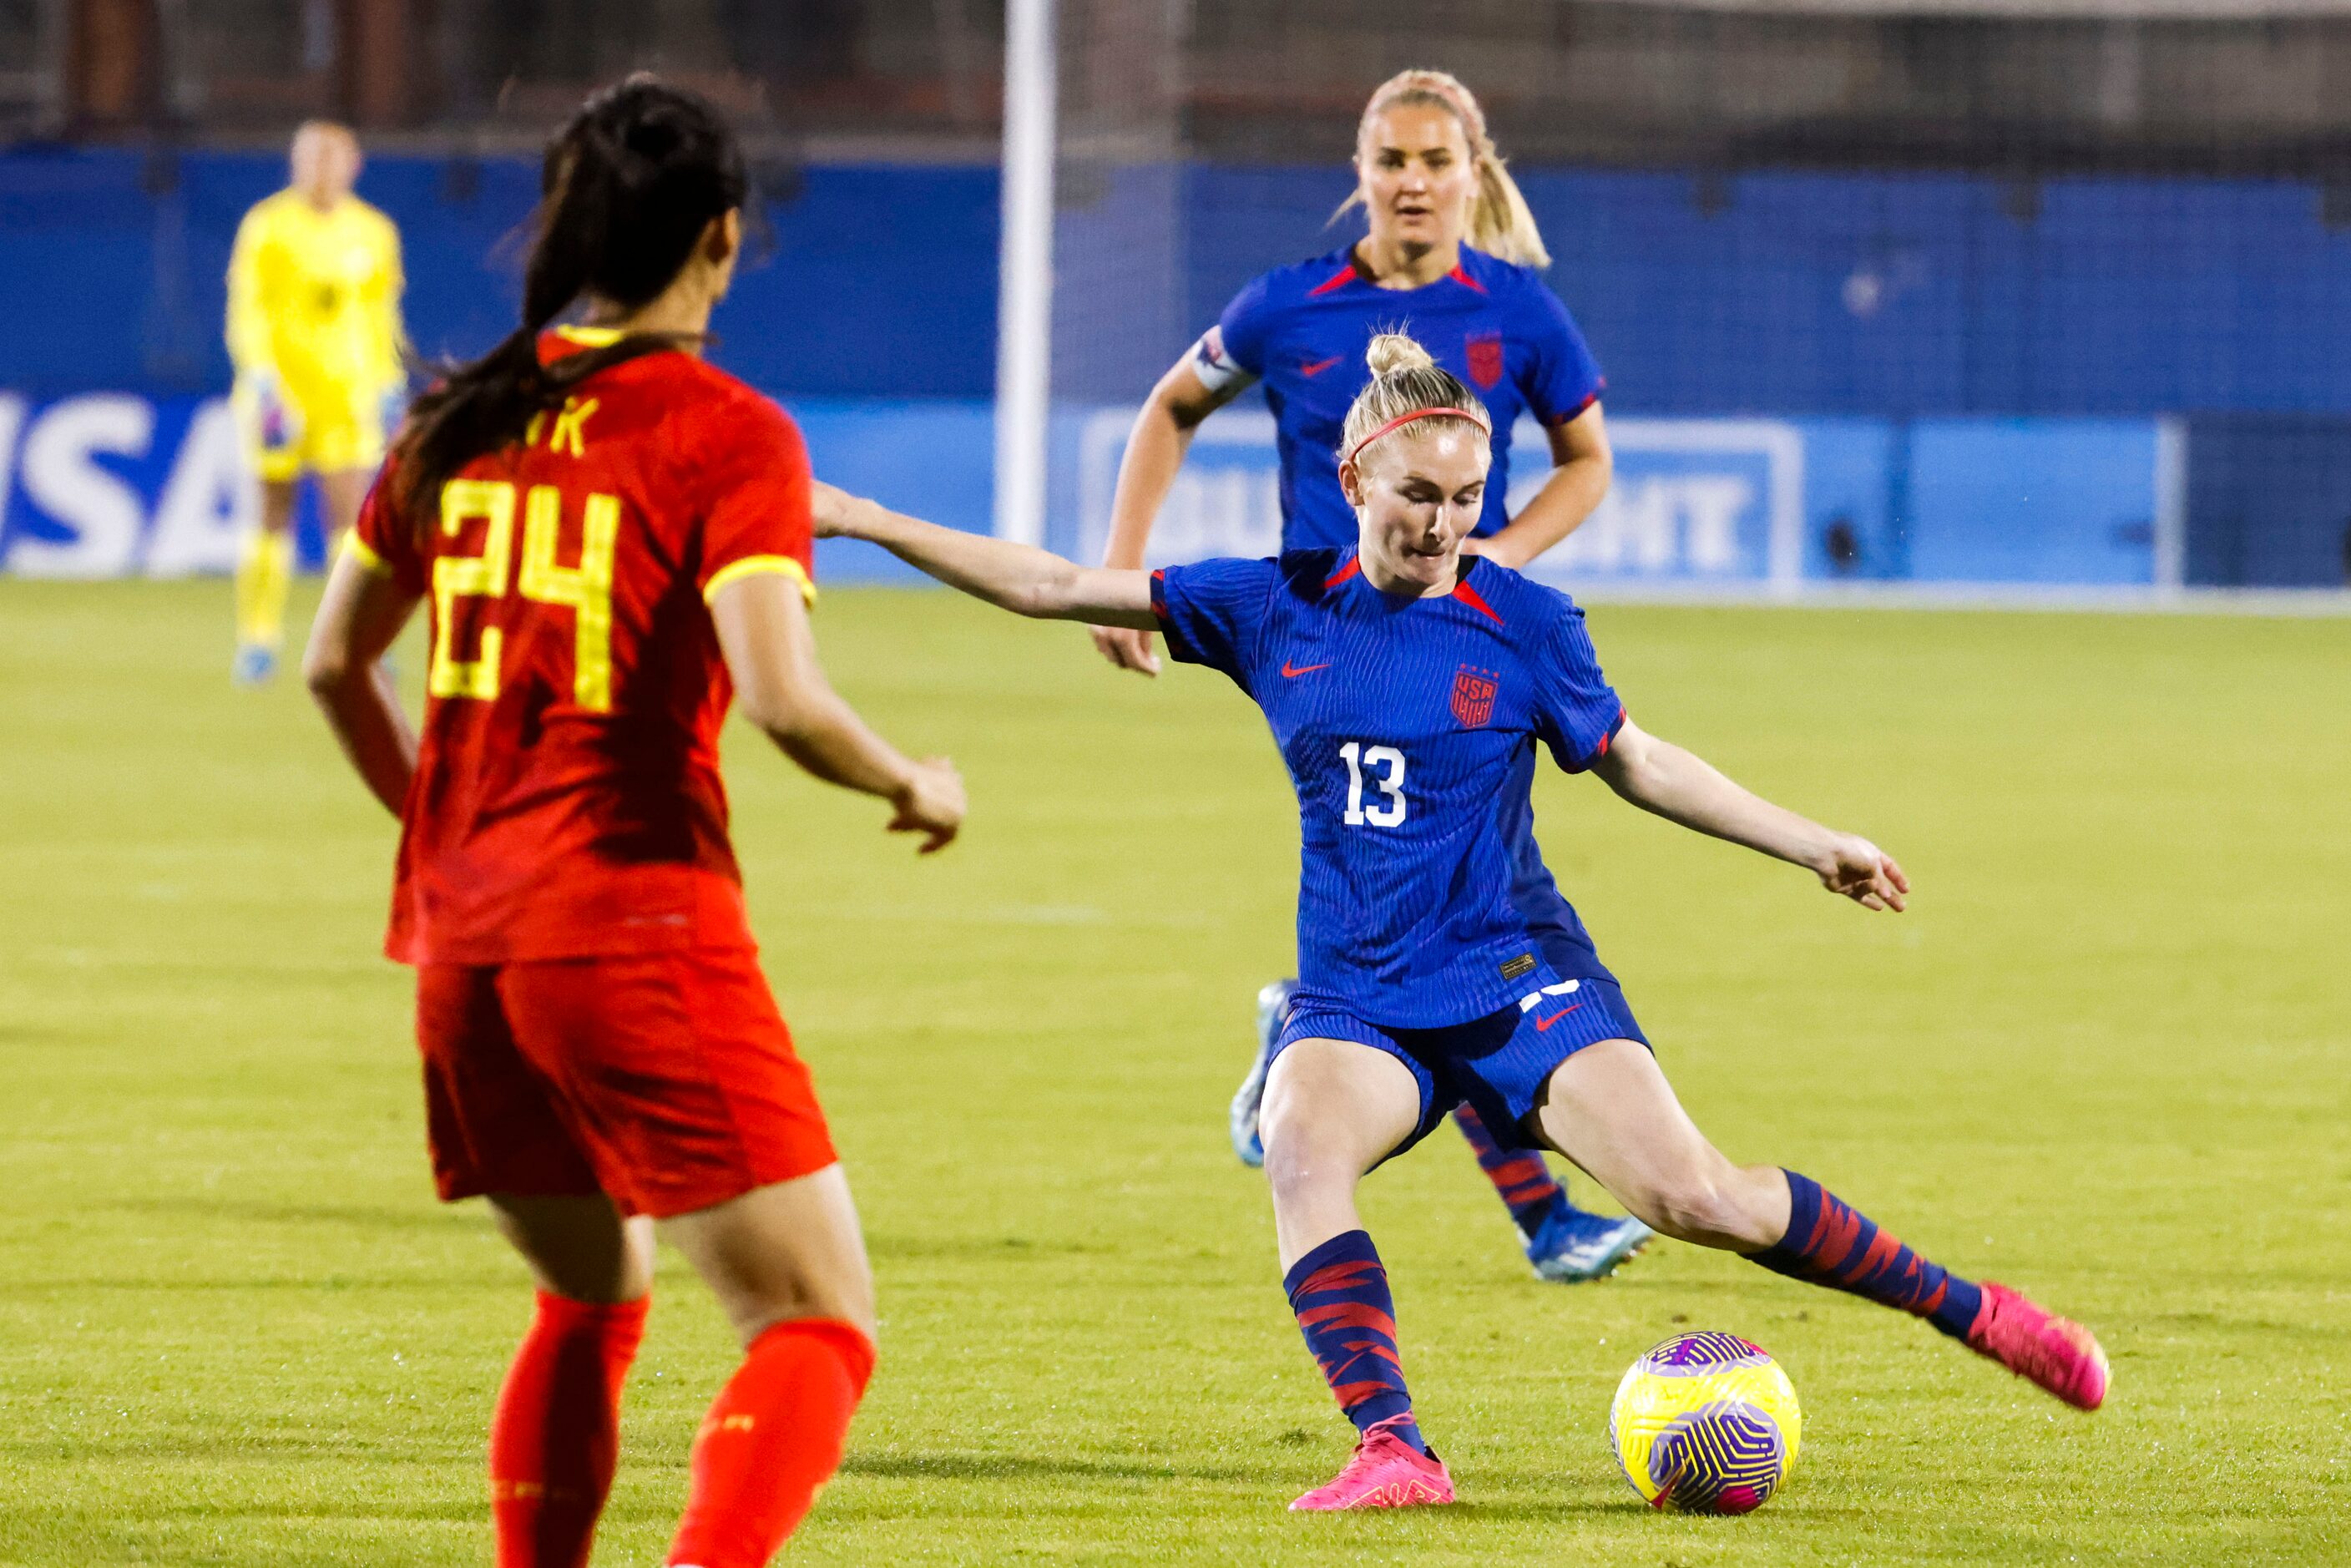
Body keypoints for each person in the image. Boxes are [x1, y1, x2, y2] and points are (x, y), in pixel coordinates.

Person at [812, 332, 2110, 1514]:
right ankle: (1395, 1447)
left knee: (1695, 1195)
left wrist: (1811, 839)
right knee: (1299, 1148)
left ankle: (1980, 1312)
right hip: (1360, 994)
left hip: (1516, 975)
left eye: (1466, 499)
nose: (1443, 523)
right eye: (1418, 495)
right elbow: (1048, 586)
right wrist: (864, 518)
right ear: (1357, 478)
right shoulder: (1270, 605)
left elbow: (1638, 761)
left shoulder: (1527, 623)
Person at [302, 78, 964, 1567]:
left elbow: (333, 664)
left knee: (592, 1294)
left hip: (466, 945)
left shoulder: (458, 417)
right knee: (815, 1321)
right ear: (725, 238)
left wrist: (456, 824)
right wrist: (913, 777)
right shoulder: (728, 433)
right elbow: (784, 700)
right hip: (627, 927)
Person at [1085, 69, 1638, 1282]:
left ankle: (1351, 1058)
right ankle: (1531, 1204)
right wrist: (1124, 564)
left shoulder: (1522, 313)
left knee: (1463, 924)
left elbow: (1588, 461)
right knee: (1474, 927)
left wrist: (1498, 556)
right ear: (1362, 174)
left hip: (1461, 654)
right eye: (1390, 160)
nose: (1413, 181)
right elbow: (1172, 406)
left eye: (1437, 160)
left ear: (1473, 172)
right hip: (1330, 652)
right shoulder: (1288, 308)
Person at [225, 121, 408, 685]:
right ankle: (257, 640)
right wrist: (260, 378)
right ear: (295, 164)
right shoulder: (268, 225)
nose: (321, 170)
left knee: (349, 517)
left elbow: (381, 314)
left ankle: (349, 638)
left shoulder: (374, 232)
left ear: (352, 166)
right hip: (282, 395)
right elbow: (248, 308)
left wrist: (389, 380)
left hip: (346, 395)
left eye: (332, 160)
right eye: (311, 159)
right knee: (273, 511)